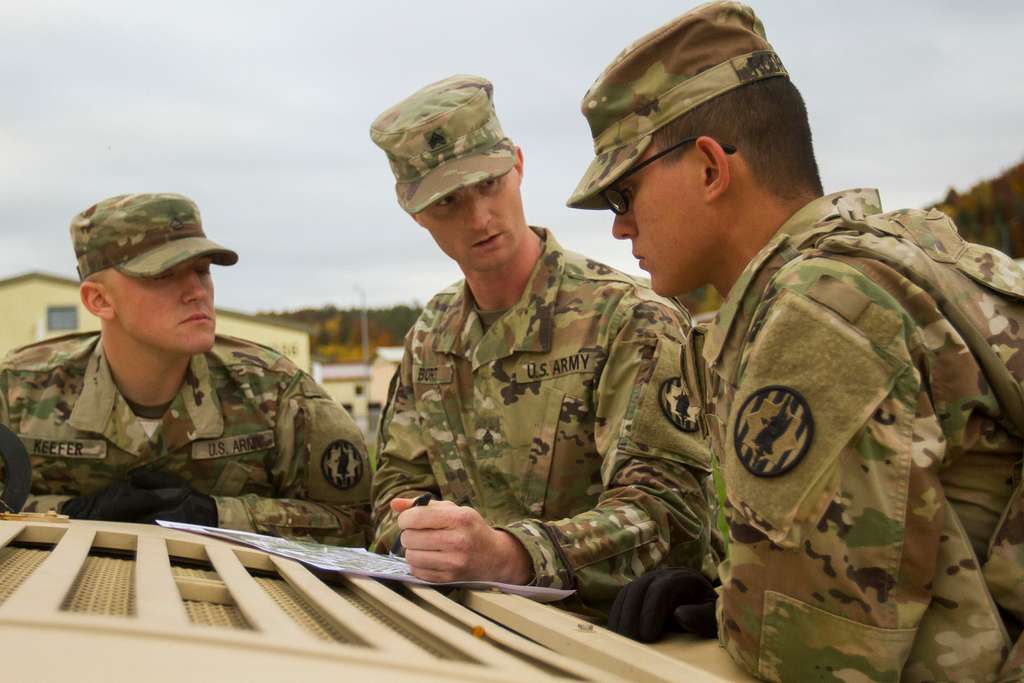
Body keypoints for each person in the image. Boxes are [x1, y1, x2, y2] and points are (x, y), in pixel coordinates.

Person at [568, 3, 1024, 680]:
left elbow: (813, 658)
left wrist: (753, 623)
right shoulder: (896, 254)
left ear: (709, 169)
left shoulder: (822, 311)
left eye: (624, 195)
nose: (619, 229)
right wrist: (730, 598)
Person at [368, 75, 714, 616]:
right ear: (415, 214)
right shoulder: (429, 338)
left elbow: (673, 514)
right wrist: (421, 534)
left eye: (489, 185)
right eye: (448, 202)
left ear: (519, 166)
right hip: (463, 631)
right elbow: (394, 488)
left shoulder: (628, 318)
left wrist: (513, 556)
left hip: (606, 641)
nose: (480, 217)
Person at [0, 193, 370, 546]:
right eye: (163, 275)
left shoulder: (273, 391)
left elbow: (355, 521)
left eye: (202, 271)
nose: (197, 291)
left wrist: (217, 516)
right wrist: (70, 514)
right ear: (98, 299)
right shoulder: (19, 391)